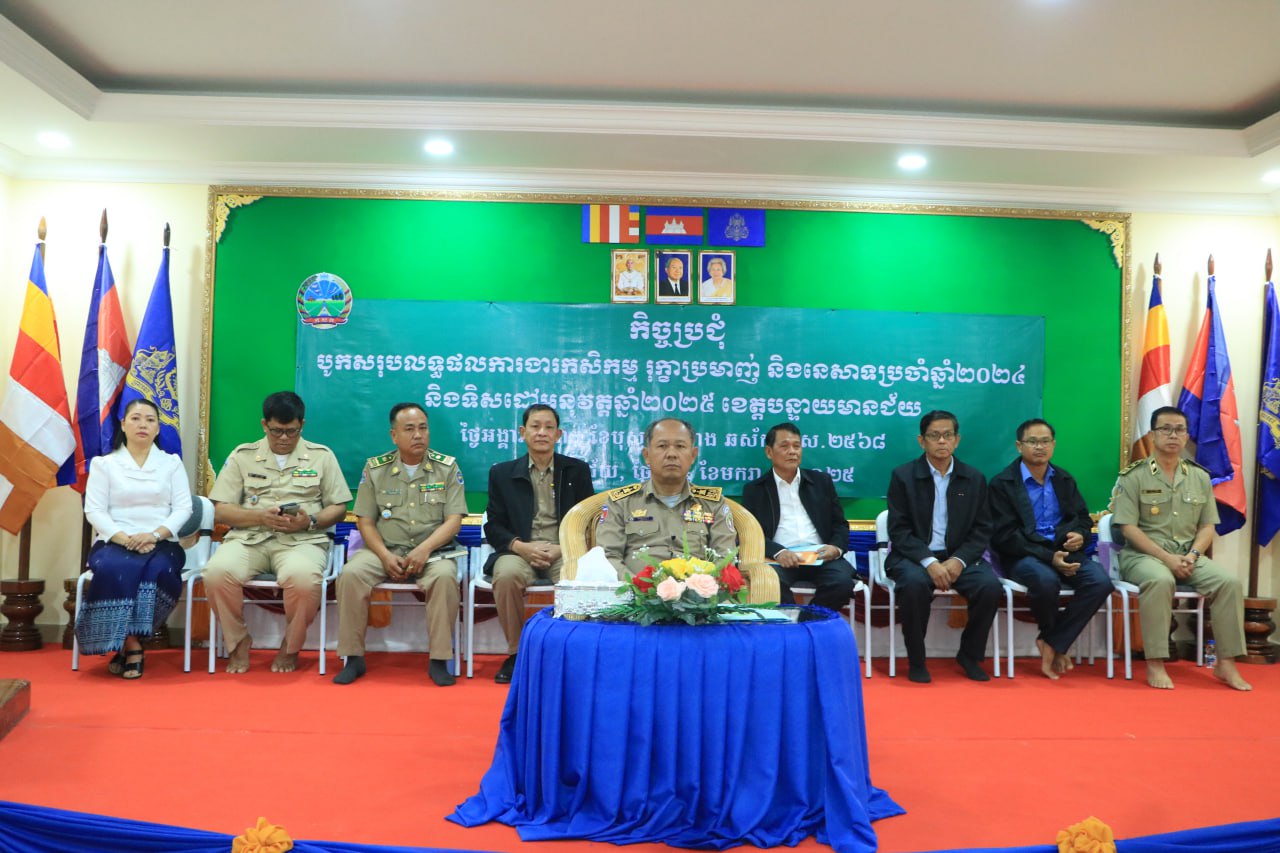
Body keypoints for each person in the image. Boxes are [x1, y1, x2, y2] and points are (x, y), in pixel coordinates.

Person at [203, 391, 351, 674]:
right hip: (250, 539)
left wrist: (309, 521)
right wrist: (259, 517)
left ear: (302, 425)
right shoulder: (242, 456)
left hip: (301, 541)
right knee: (216, 573)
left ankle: (290, 647)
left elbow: (339, 508)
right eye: (276, 431)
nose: (284, 438)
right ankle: (238, 642)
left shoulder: (321, 457)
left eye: (291, 431)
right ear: (264, 425)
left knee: (304, 580)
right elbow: (220, 510)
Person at [1111, 405, 1251, 691]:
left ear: (1187, 436)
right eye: (1165, 429)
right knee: (1160, 580)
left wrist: (1193, 555)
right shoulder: (1133, 476)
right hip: (1143, 556)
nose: (1173, 435)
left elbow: (1207, 527)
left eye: (1179, 430)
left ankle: (1226, 662)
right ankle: (1155, 662)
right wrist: (1166, 558)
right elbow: (1128, 528)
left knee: (1229, 583)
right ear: (1152, 435)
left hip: (1189, 555)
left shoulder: (1199, 477)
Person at [333, 403, 468, 686]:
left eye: (423, 428)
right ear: (394, 435)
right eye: (409, 429)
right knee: (351, 575)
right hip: (385, 549)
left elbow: (454, 521)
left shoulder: (446, 468)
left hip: (433, 552)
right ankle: (353, 657)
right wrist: (384, 555)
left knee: (444, 578)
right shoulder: (376, 469)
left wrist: (424, 549)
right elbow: (365, 521)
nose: (418, 435)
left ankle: (439, 660)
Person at [988, 418, 1113, 680]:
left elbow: (1082, 519)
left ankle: (1051, 641)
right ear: (1019, 446)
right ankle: (1054, 643)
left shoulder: (1063, 479)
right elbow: (1005, 536)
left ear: (1053, 445)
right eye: (1032, 442)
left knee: (1100, 582)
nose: (1039, 447)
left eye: (1045, 441)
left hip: (1065, 552)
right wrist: (1049, 557)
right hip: (1023, 555)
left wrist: (1079, 535)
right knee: (1045, 581)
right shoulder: (1002, 484)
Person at [77, 398, 192, 679]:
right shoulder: (105, 464)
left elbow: (183, 508)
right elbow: (94, 510)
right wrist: (124, 538)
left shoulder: (171, 464)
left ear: (158, 428)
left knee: (159, 570)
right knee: (112, 568)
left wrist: (154, 534)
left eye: (150, 420)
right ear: (123, 424)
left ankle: (126, 644)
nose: (143, 425)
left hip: (161, 542)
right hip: (114, 541)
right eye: (136, 418)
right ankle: (133, 645)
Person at [885, 410, 1001, 683]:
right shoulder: (903, 476)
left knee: (989, 587)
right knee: (913, 585)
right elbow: (899, 531)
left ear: (957, 440)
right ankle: (916, 660)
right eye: (934, 436)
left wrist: (958, 560)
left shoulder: (973, 478)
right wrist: (929, 562)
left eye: (947, 435)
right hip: (914, 557)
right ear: (921, 441)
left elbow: (982, 529)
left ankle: (970, 656)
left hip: (959, 557)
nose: (941, 441)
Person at [483, 404, 595, 684]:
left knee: (579, 577)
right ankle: (516, 654)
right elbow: (493, 525)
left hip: (563, 550)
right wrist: (522, 547)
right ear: (523, 432)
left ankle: (570, 652)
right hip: (520, 550)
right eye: (535, 426)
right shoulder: (502, 473)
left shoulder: (577, 471)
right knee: (506, 575)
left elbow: (588, 522)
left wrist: (562, 548)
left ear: (558, 434)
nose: (542, 432)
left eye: (548, 427)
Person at [595, 418, 736, 578]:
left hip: (697, 591)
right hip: (635, 590)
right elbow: (607, 556)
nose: (671, 454)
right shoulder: (621, 503)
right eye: (662, 446)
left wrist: (699, 587)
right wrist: (637, 586)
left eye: (680, 446)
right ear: (646, 455)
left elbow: (726, 558)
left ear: (693, 455)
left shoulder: (713, 504)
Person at [741, 422, 854, 611]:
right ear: (769, 452)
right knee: (770, 584)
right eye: (784, 446)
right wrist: (778, 552)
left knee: (841, 583)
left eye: (797, 446)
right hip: (780, 559)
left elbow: (840, 524)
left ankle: (806, 622)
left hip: (820, 557)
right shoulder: (755, 490)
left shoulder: (821, 482)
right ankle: (792, 625)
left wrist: (835, 548)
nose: (792, 451)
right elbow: (750, 534)